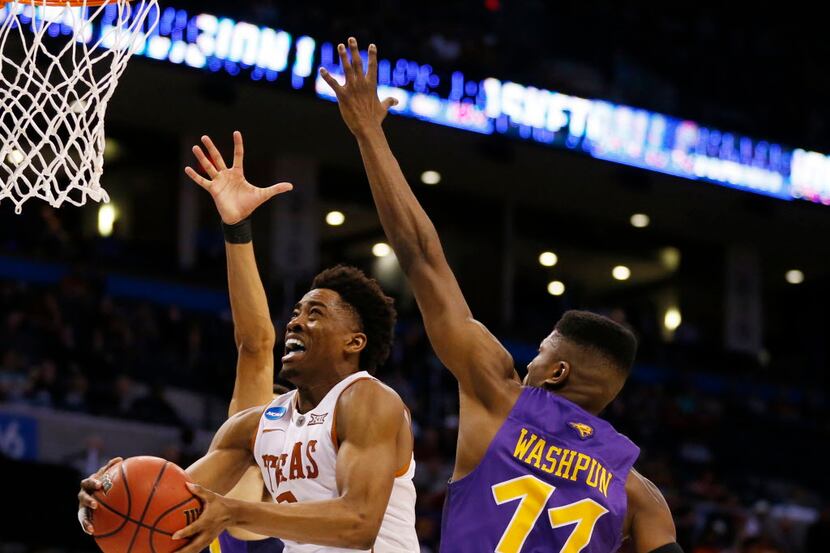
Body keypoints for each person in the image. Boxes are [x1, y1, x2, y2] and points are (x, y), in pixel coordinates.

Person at [320, 38, 683, 553]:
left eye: (540, 356)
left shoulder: (498, 393)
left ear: (557, 372)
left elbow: (422, 255)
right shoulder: (639, 493)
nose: (528, 364)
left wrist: (369, 133)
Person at [77, 132, 419, 553]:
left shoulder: (367, 401)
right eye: (295, 313)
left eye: (315, 315)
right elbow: (174, 504)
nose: (296, 323)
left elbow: (358, 523)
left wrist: (235, 511)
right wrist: (108, 497)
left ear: (354, 341)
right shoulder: (255, 426)